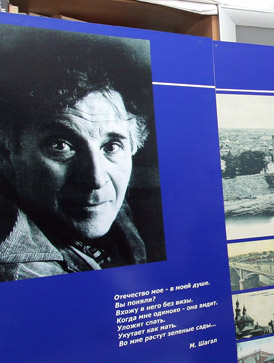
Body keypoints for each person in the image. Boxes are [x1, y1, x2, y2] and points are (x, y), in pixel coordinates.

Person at [0, 25, 161, 282]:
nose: (95, 178)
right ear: (7, 155)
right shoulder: (25, 276)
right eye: (61, 146)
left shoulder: (96, 207)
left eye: (111, 147)